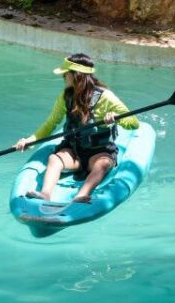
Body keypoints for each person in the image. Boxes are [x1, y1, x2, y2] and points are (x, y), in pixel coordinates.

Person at [14, 53, 140, 203]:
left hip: (99, 151)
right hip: (74, 151)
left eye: (66, 74)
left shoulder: (106, 96)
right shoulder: (66, 96)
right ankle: (45, 194)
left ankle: (81, 195)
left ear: (77, 76)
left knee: (103, 164)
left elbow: (133, 122)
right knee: (54, 159)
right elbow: (51, 123)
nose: (63, 77)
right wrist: (30, 141)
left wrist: (115, 119)